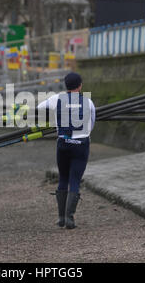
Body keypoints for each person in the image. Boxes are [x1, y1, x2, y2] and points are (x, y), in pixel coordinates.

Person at [38, 72, 96, 229]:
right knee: (74, 181)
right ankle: (70, 218)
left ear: (66, 86)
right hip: (81, 145)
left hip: (63, 143)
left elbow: (39, 109)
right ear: (80, 86)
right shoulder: (88, 102)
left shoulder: (56, 99)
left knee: (63, 178)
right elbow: (91, 125)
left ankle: (60, 218)